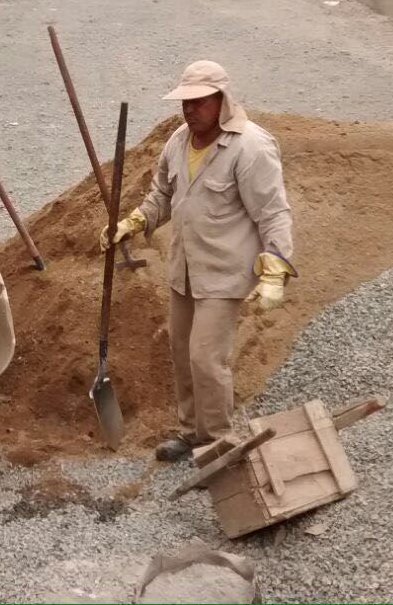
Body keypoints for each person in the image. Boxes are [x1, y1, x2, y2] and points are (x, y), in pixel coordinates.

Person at [102, 61, 295, 463]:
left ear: (222, 100)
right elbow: (162, 194)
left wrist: (275, 267)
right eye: (185, 102)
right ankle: (191, 432)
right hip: (185, 269)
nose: (189, 110)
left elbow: (273, 212)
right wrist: (134, 222)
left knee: (206, 358)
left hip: (225, 273)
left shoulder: (250, 147)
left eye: (199, 102)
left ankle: (219, 443)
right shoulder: (178, 142)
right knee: (181, 353)